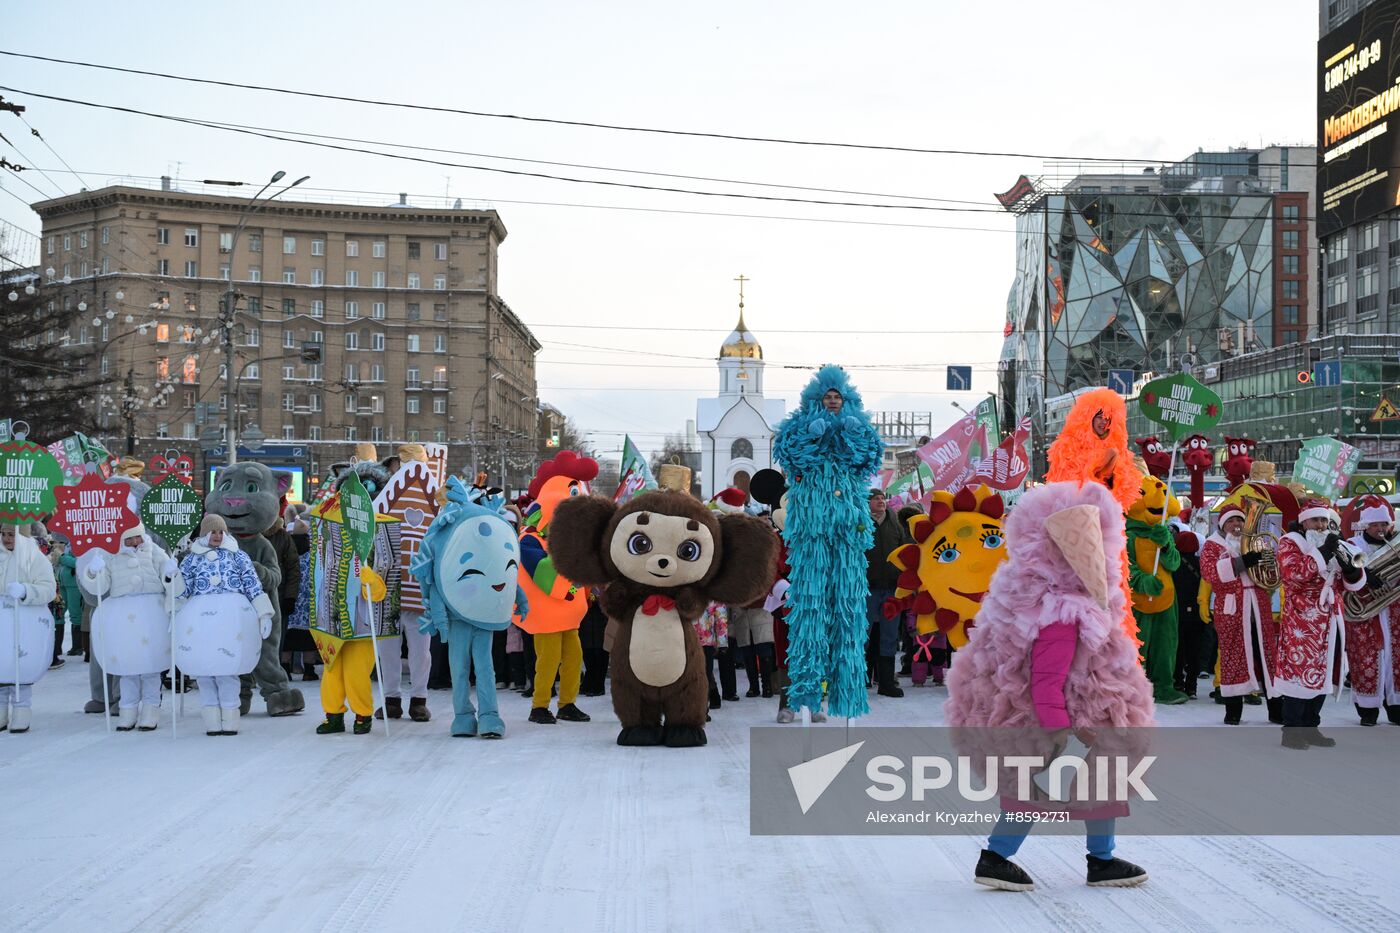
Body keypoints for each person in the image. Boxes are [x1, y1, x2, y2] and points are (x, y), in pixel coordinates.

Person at [945, 482, 1152, 891]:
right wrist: (1060, 731)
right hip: (1065, 719)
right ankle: (997, 857)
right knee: (1039, 785)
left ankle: (1100, 859)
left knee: (1096, 784)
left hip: (1081, 714)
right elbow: (1045, 679)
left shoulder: (1054, 599)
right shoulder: (1062, 612)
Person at [771, 365, 884, 720]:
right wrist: (811, 435)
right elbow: (790, 458)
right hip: (812, 532)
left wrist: (854, 435)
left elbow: (868, 461)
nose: (833, 402)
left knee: (848, 612)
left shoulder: (860, 427)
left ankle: (847, 694)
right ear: (816, 400)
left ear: (846, 400)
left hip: (848, 529)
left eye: (838, 397)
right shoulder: (798, 427)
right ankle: (803, 697)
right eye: (828, 397)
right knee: (810, 609)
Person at [1275, 500, 1365, 748]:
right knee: (1299, 671)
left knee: (1325, 671)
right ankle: (1291, 730)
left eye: (1325, 520)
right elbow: (1293, 574)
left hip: (1331, 617)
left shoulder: (1332, 541)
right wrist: (1323, 552)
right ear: (1304, 521)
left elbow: (1352, 583)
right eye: (1316, 520)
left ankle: (1311, 725)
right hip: (1302, 619)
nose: (1322, 525)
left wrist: (1350, 569)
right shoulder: (1290, 542)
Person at [175, 515, 275, 736]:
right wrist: (174, 611)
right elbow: (183, 590)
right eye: (213, 532)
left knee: (227, 671)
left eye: (221, 532)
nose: (218, 536)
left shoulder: (238, 556)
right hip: (200, 621)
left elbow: (252, 584)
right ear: (204, 534)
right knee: (205, 671)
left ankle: (230, 717)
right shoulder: (192, 559)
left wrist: (263, 612)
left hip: (231, 619)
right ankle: (211, 719)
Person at [83, 525, 179, 731]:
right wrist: (93, 572)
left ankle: (151, 708)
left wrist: (171, 574)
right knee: (128, 668)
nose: (135, 542)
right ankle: (128, 708)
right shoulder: (111, 557)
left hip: (152, 616)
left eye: (138, 537)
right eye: (129, 539)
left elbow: (167, 576)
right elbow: (100, 588)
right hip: (123, 619)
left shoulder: (154, 551)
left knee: (151, 667)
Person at [1199, 506, 1281, 725]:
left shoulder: (1257, 542)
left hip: (1259, 606)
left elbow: (1272, 573)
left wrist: (1267, 561)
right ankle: (1233, 711)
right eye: (1231, 521)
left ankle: (1276, 709)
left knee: (1267, 657)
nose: (1236, 525)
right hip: (1232, 608)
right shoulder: (1212, 545)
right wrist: (1243, 562)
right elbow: (1210, 573)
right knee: (1232, 656)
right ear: (1222, 525)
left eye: (1240, 520)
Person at [1345, 498, 1400, 726]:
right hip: (1365, 613)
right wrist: (1364, 576)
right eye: (1375, 525)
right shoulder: (1353, 544)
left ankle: (1395, 705)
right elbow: (1345, 575)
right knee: (1366, 659)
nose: (1380, 529)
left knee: (1396, 660)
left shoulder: (1393, 542)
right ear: (1366, 526)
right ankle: (1367, 710)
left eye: (1383, 525)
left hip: (1394, 611)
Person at [0, 523, 59, 733]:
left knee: (20, 668)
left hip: (26, 622)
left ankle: (21, 709)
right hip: (3, 623)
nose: (7, 539)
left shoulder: (34, 558)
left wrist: (25, 590)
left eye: (11, 535)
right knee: (1, 666)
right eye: (4, 534)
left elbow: (49, 589)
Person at [864, 488, 909, 698]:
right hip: (867, 589)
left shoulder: (895, 523)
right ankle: (858, 679)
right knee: (862, 635)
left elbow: (904, 551)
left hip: (891, 588)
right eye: (876, 499)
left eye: (883, 498)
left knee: (890, 637)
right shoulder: (860, 522)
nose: (881, 501)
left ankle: (886, 682)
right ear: (868, 503)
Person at [1172, 530, 1206, 699]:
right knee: (1194, 650)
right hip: (1197, 614)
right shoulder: (1202, 564)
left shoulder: (1174, 564)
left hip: (1177, 612)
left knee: (1178, 649)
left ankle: (1178, 681)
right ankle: (1192, 686)